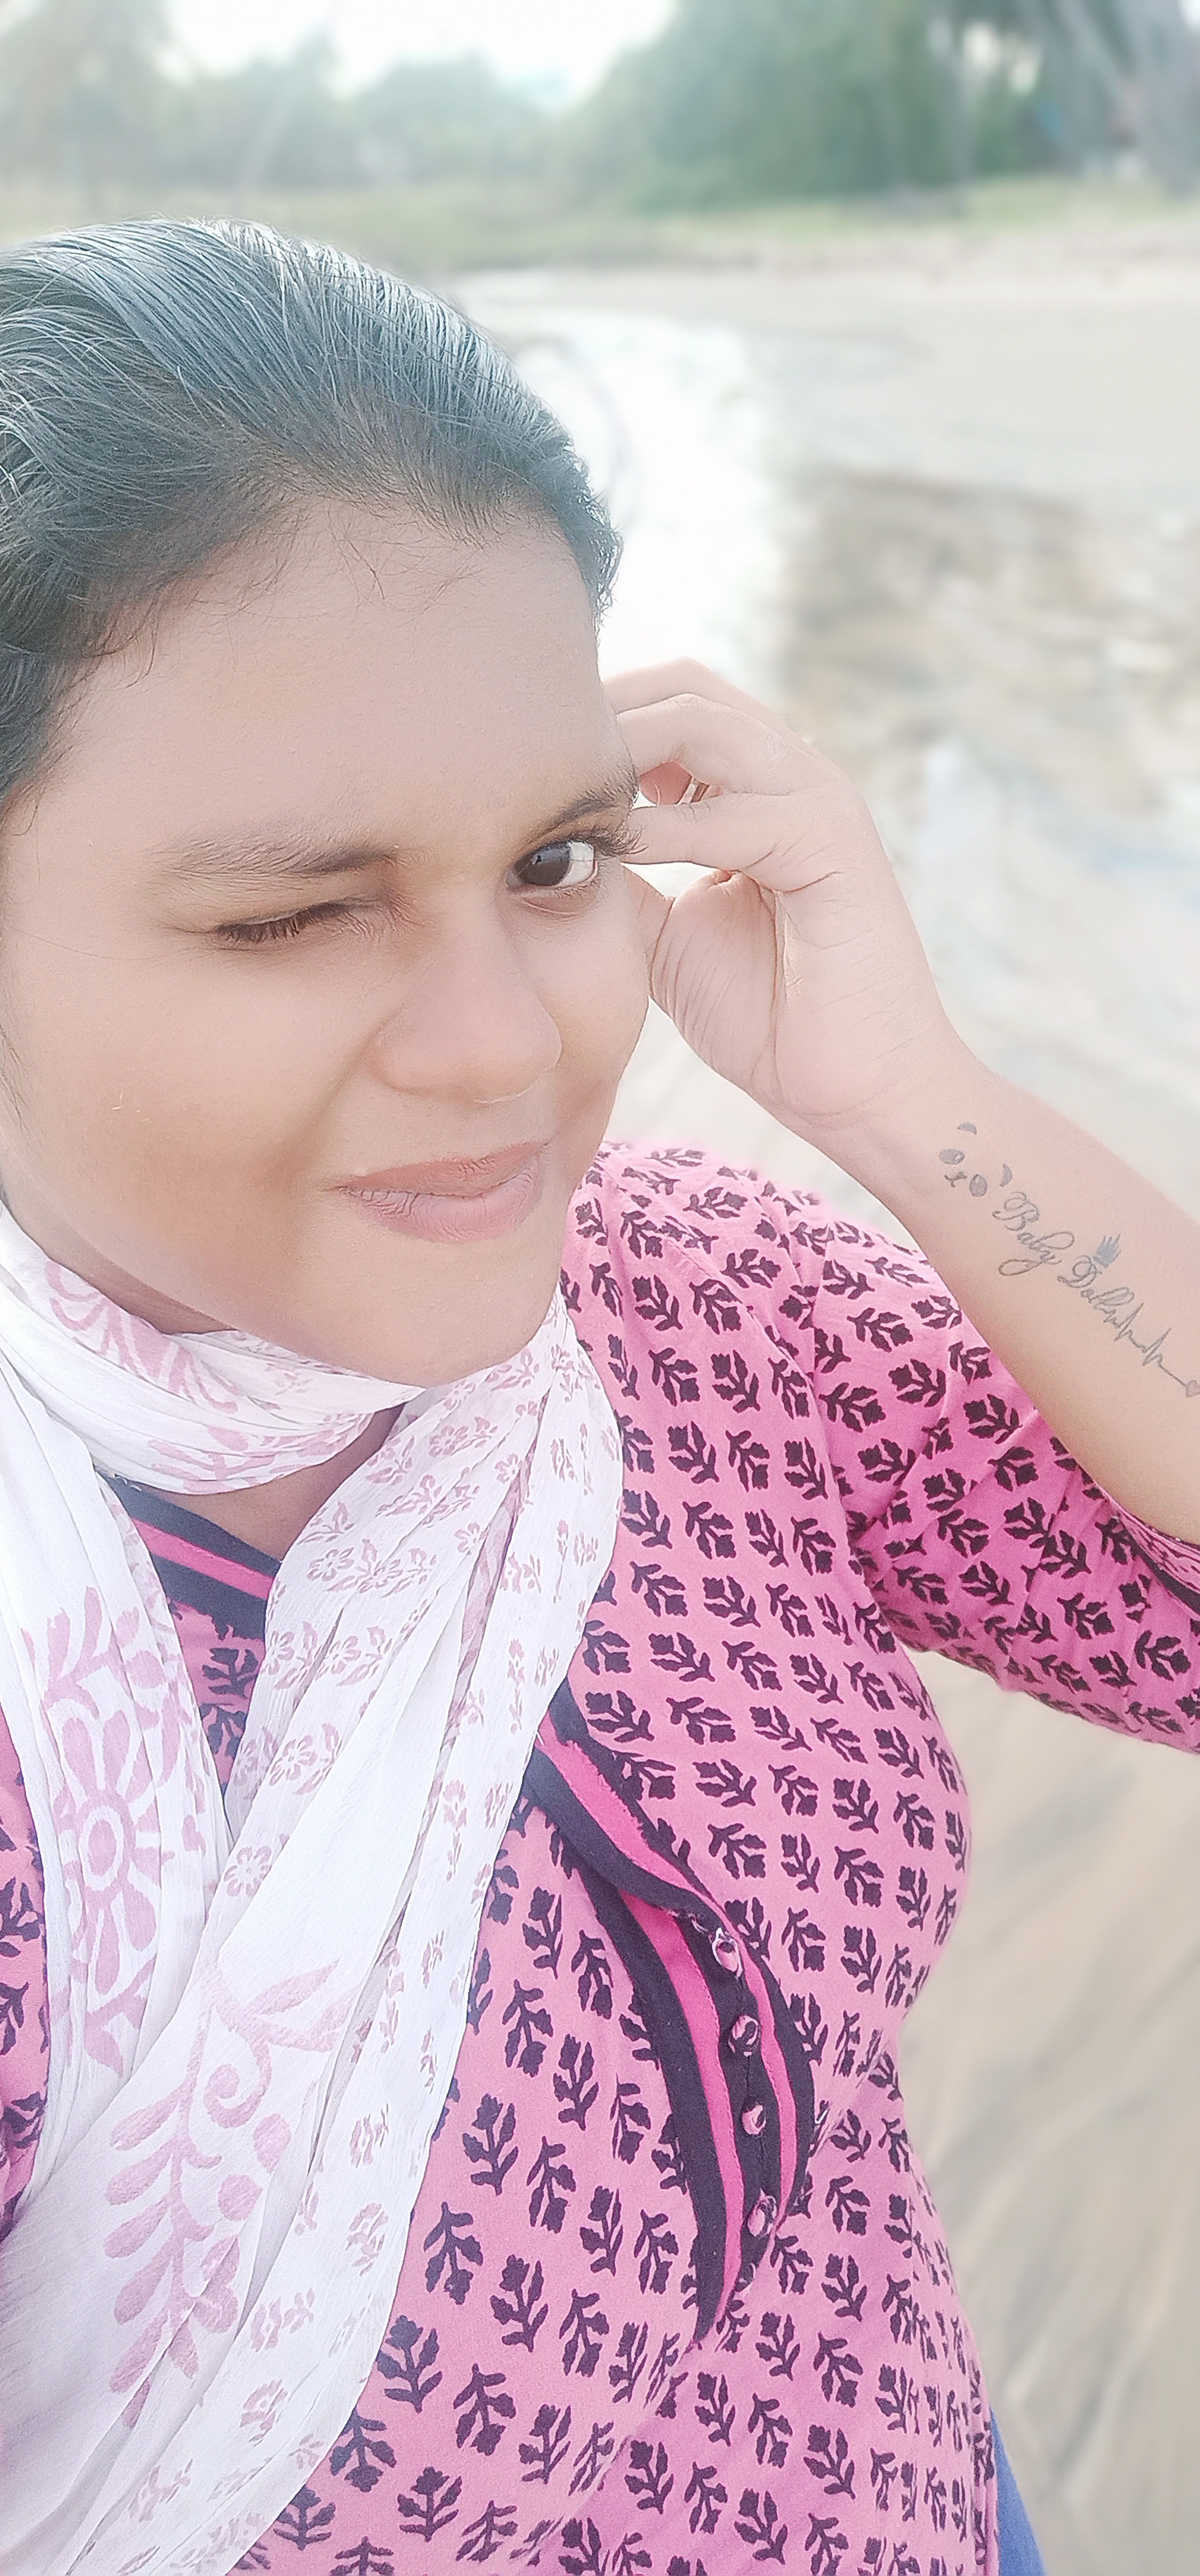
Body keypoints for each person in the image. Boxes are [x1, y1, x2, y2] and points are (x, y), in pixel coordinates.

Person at [0, 221, 1194, 2576]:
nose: (506, 1048)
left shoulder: (697, 1315)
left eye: (553, 861)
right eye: (291, 913)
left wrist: (906, 1093)